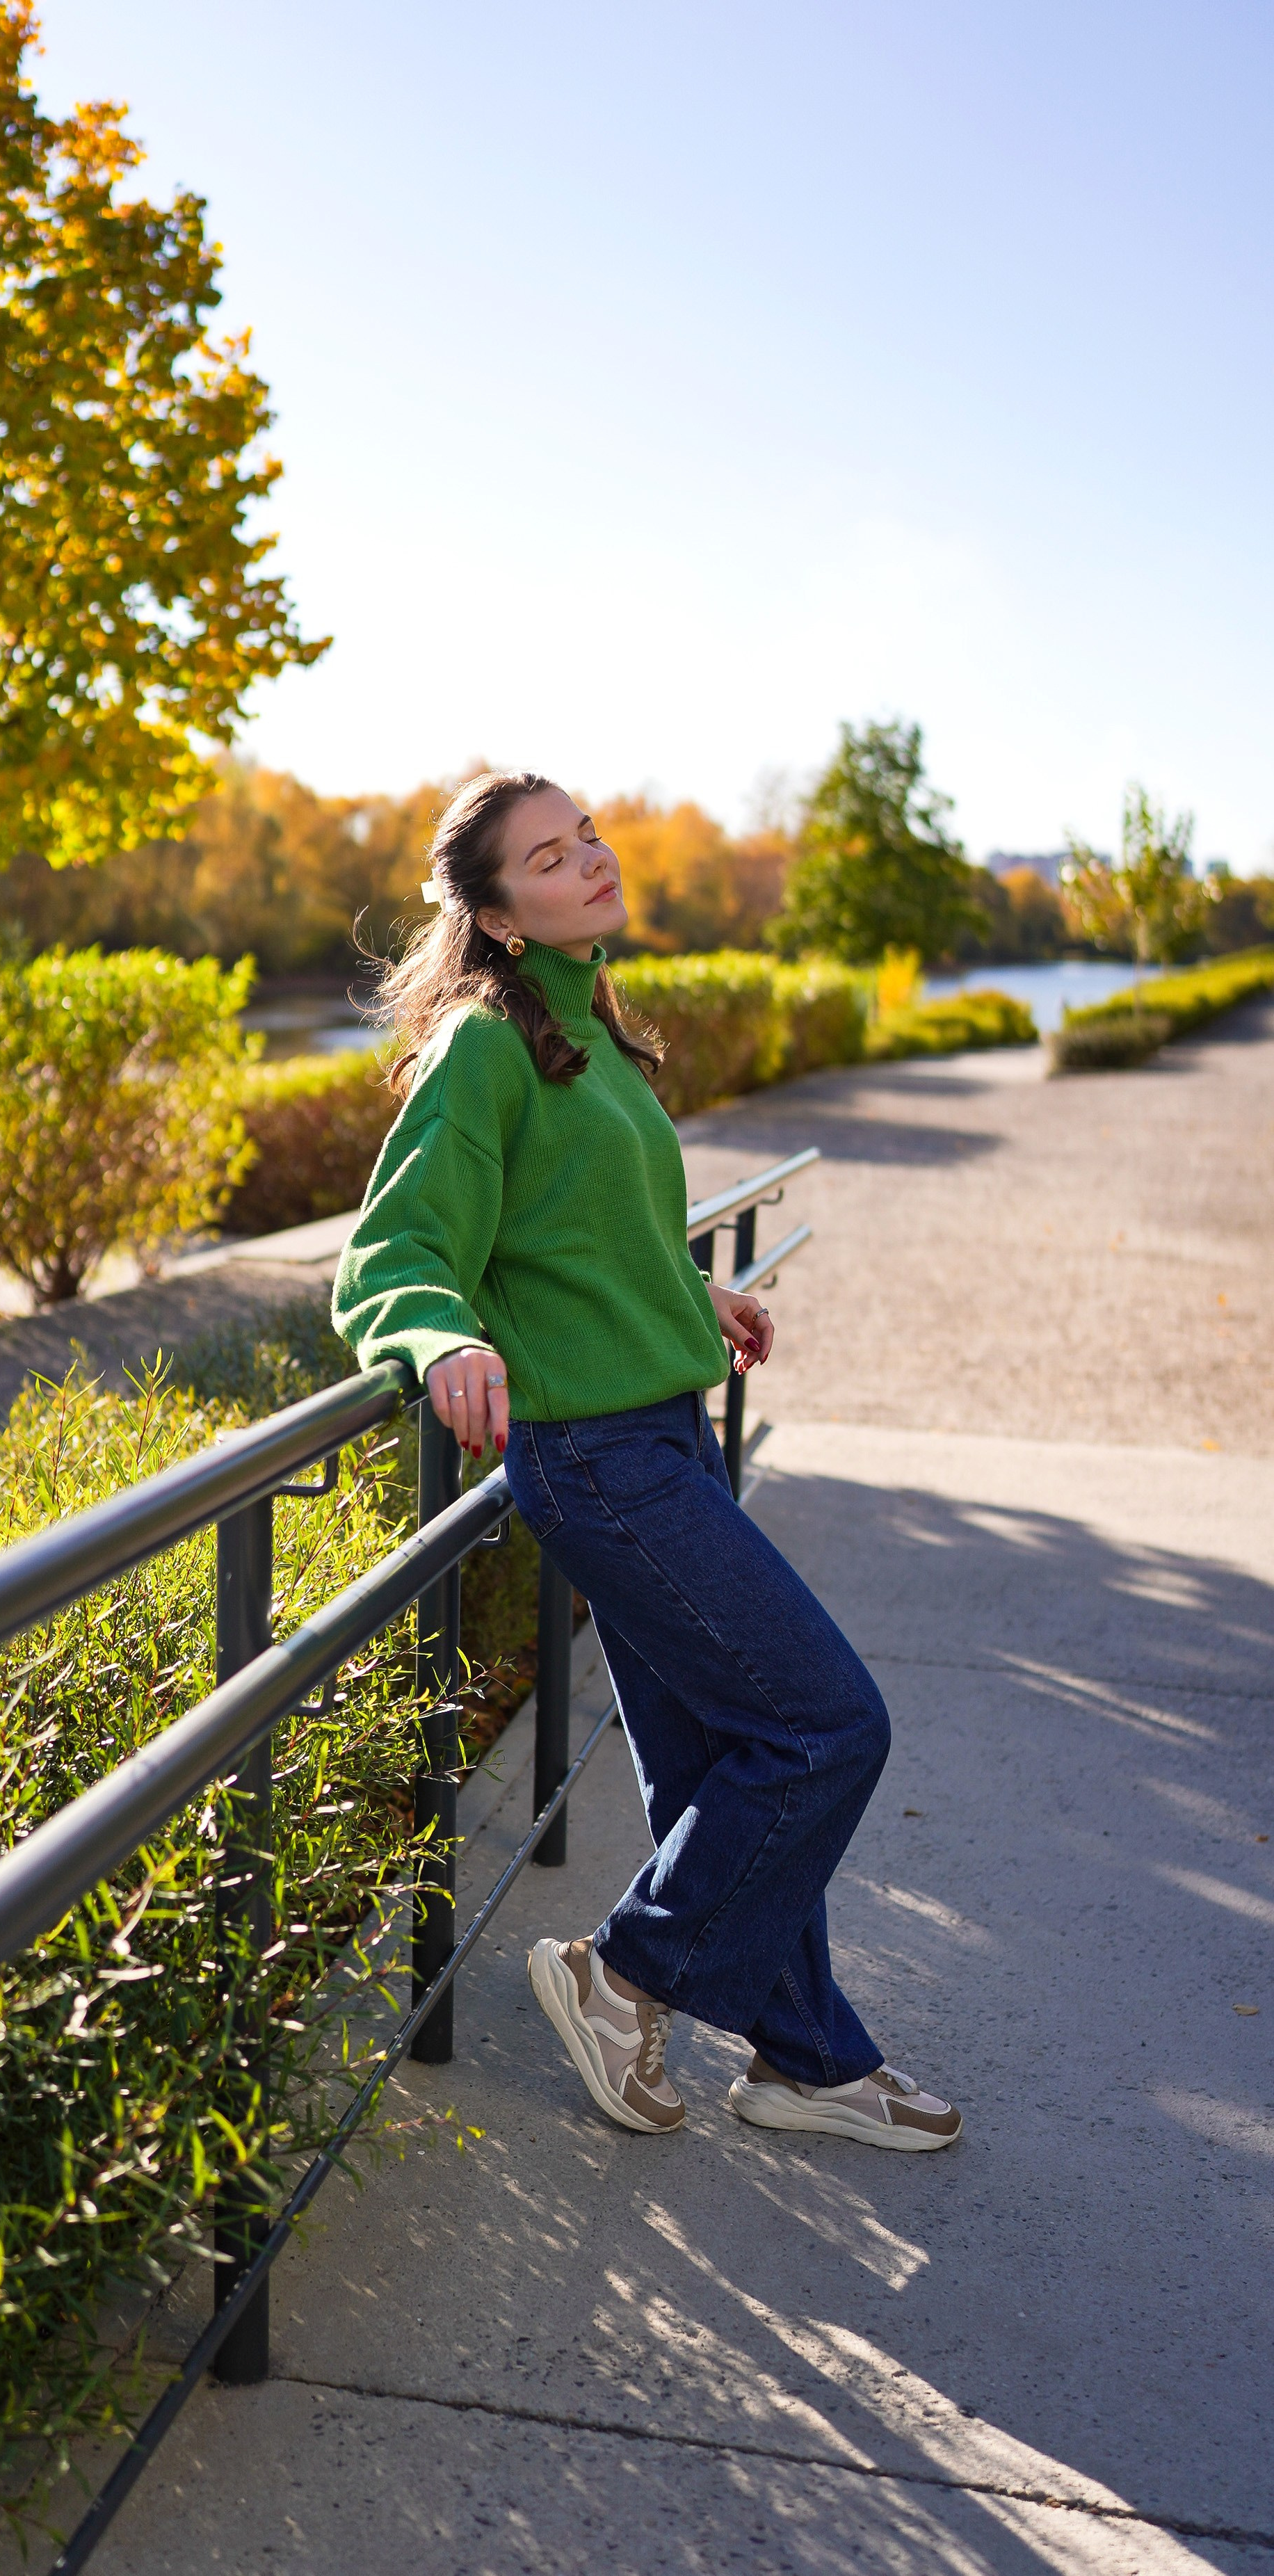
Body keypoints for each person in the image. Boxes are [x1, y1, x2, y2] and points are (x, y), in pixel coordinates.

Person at [332, 770, 961, 2152]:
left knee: (724, 1767)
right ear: (494, 915)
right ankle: (621, 1972)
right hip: (596, 1459)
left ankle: (802, 2060)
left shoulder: (589, 1024)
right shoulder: (484, 1043)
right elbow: (396, 1252)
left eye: (588, 837)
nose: (589, 864)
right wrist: (434, 1340)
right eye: (546, 860)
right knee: (824, 1725)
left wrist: (691, 1301)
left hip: (654, 1430)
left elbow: (579, 1230)